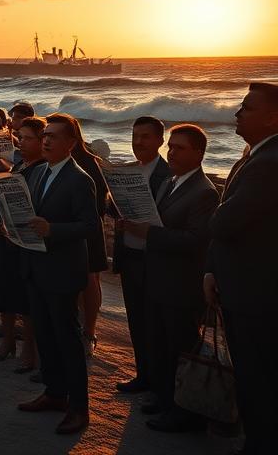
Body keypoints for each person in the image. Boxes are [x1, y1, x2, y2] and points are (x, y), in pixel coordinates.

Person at [115, 124, 219, 432]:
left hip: (180, 284)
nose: (171, 152)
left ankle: (183, 412)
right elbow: (156, 219)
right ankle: (164, 397)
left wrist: (151, 234)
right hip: (157, 278)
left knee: (180, 347)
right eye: (171, 146)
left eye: (180, 148)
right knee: (159, 343)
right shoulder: (169, 183)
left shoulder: (204, 192)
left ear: (199, 153)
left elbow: (196, 240)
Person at [205, 82, 278, 454]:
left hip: (256, 295)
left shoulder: (268, 163)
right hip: (241, 286)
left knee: (258, 378)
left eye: (247, 108)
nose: (237, 113)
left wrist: (216, 215)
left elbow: (222, 222)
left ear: (272, 117)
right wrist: (212, 269)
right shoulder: (254, 156)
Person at [17, 113, 98, 436]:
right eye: (45, 135)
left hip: (63, 270)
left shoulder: (80, 179)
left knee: (68, 339)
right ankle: (54, 393)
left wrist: (54, 230)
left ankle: (79, 408)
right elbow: (31, 214)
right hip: (37, 265)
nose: (46, 140)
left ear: (71, 143)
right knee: (46, 336)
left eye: (54, 136)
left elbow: (90, 227)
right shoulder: (39, 173)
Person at [0, 116, 44, 372]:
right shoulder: (19, 165)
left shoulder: (41, 169)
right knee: (2, 290)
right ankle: (7, 341)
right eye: (20, 137)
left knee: (24, 298)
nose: (21, 142)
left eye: (28, 138)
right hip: (3, 234)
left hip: (25, 241)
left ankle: (29, 349)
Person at [114, 116, 172, 394]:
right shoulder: (127, 170)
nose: (138, 142)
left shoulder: (168, 174)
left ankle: (160, 383)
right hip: (129, 256)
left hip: (154, 259)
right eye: (135, 136)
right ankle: (143, 375)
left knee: (156, 325)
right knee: (136, 320)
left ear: (160, 141)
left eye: (145, 137)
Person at [70, 118, 110, 358]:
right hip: (68, 232)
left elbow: (99, 203)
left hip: (88, 231)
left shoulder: (89, 163)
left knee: (89, 279)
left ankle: (90, 330)